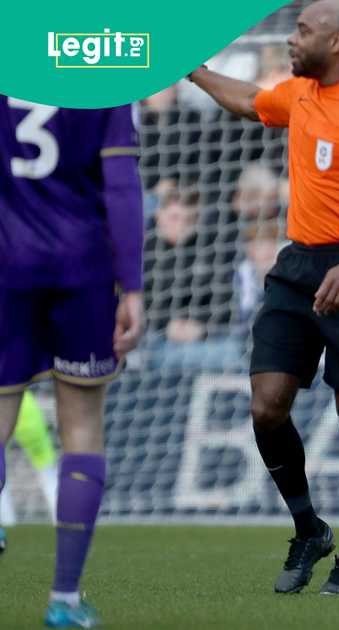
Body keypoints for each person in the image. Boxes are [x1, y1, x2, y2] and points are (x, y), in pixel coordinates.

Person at [186, 0, 339, 595]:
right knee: (266, 403)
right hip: (296, 265)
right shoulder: (301, 92)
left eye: (304, 31)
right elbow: (247, 100)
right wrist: (192, 68)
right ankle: (308, 527)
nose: (292, 39)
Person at [0, 97, 145, 627]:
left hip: (6, 265)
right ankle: (63, 600)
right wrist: (132, 286)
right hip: (82, 267)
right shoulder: (100, 68)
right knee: (81, 426)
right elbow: (122, 185)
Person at [0, 391, 62, 548]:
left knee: (46, 469)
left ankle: (7, 522)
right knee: (47, 471)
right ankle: (62, 521)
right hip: (22, 402)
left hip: (18, 404)